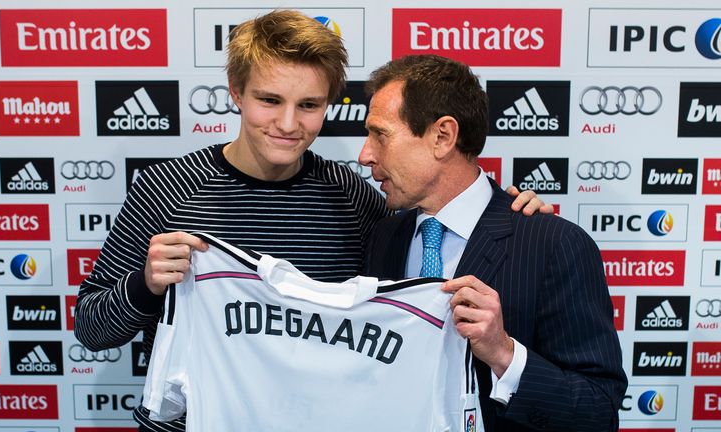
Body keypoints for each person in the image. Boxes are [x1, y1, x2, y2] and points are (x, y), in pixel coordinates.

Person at [74, 11, 548, 431]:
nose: (287, 124)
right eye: (269, 100)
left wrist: (504, 210)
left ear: (330, 104)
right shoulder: (168, 188)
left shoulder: (356, 200)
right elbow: (92, 330)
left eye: (309, 106)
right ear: (236, 92)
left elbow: (432, 240)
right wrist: (146, 285)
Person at [359, 54, 627, 432]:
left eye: (380, 134)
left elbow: (598, 411)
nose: (365, 155)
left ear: (442, 136)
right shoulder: (385, 238)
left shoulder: (554, 245)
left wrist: (504, 354)